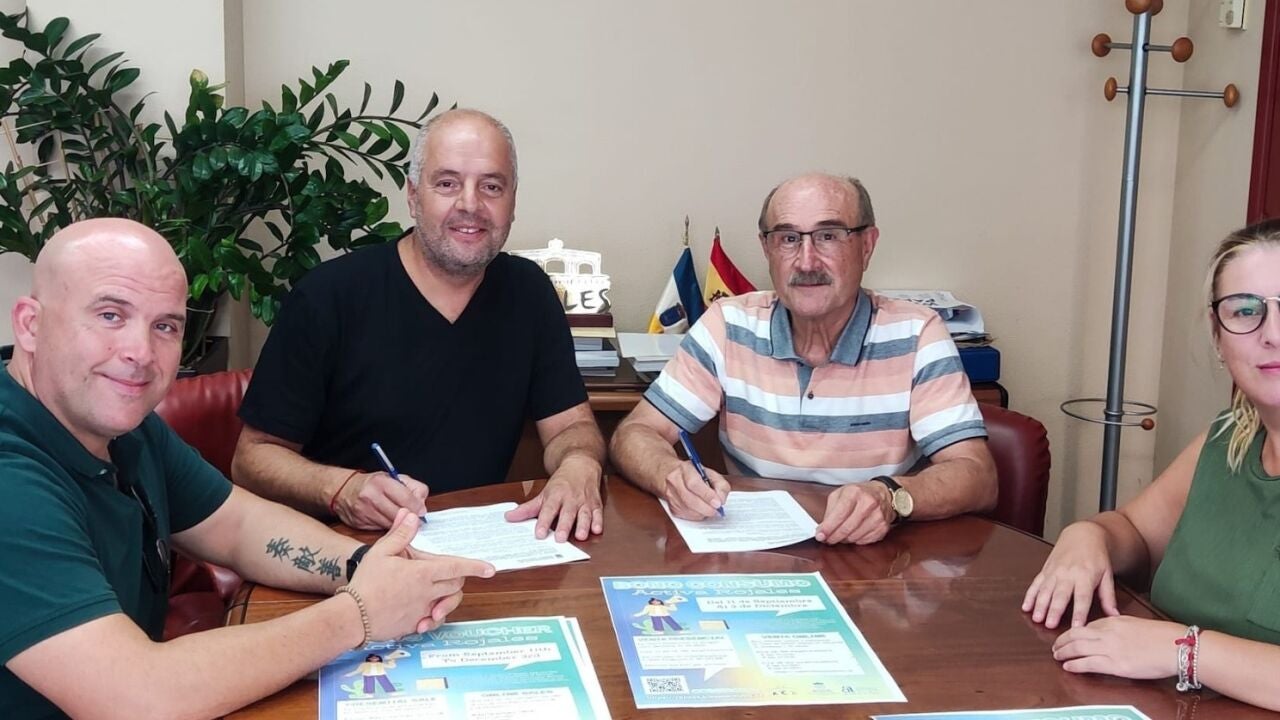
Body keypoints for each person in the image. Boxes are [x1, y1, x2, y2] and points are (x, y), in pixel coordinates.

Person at [0, 219, 495, 719]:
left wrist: (371, 566)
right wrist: (360, 614)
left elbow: (237, 526)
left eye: (165, 326)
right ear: (30, 325)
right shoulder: (10, 480)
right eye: (110, 315)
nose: (141, 353)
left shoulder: (125, 428)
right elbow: (137, 698)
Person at [233, 109, 606, 541]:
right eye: (447, 183)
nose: (470, 204)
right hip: (344, 547)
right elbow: (251, 459)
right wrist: (342, 489)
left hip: (477, 548)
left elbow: (571, 427)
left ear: (513, 202)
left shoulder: (529, 292)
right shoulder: (328, 296)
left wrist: (579, 463)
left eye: (491, 186)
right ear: (412, 197)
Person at [610, 173, 996, 545]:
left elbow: (977, 476)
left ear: (867, 245)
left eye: (829, 236)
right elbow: (635, 433)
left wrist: (889, 496)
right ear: (767, 249)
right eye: (788, 238)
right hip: (757, 556)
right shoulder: (729, 325)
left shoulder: (917, 333)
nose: (807, 262)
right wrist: (669, 473)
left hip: (881, 560)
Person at [1023, 219, 1280, 711]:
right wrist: (1088, 535)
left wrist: (1185, 651)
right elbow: (1135, 532)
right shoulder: (1227, 437)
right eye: (1245, 310)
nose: (1273, 334)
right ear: (1218, 337)